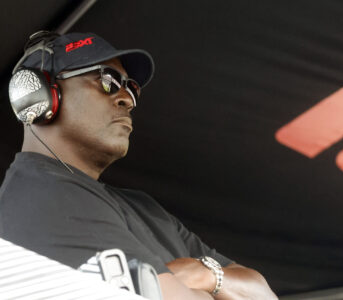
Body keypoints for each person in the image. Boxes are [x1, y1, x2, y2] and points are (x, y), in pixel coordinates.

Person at [0, 31, 278, 300]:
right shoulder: (42, 197)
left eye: (130, 88)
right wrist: (215, 288)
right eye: (107, 80)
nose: (126, 99)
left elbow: (263, 294)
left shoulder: (143, 206)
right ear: (37, 96)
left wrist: (204, 273)